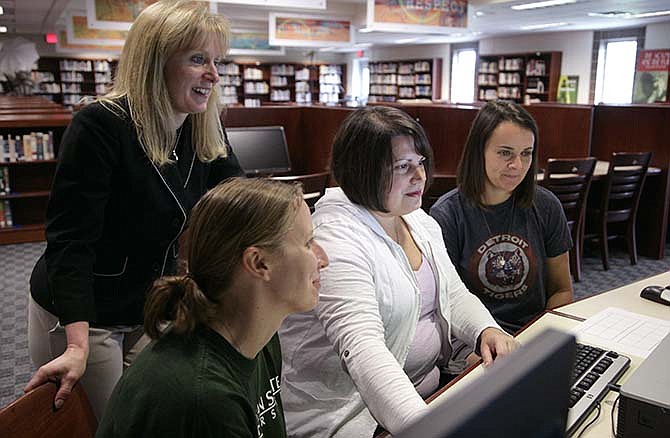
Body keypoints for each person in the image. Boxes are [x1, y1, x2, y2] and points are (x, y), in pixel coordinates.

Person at [25, 0, 243, 419]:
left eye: (217, 61)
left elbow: (239, 197)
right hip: (85, 312)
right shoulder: (100, 125)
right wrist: (76, 344)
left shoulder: (200, 128)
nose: (214, 75)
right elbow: (70, 242)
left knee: (148, 415)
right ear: (156, 60)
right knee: (109, 423)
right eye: (198, 59)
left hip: (146, 305)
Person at [279, 105, 517, 437]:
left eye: (420, 164)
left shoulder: (415, 217)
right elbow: (364, 351)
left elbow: (454, 293)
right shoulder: (336, 238)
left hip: (426, 393)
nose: (420, 177)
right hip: (357, 416)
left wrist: (485, 331)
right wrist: (427, 427)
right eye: (403, 166)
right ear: (363, 171)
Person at [96, 177, 329, 437]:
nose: (323, 259)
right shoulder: (206, 399)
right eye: (308, 243)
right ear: (258, 263)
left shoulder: (261, 340)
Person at [429, 101, 573, 368]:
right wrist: (479, 357)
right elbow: (443, 308)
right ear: (479, 151)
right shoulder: (447, 216)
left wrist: (541, 341)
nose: (517, 165)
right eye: (505, 153)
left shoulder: (546, 206)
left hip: (534, 338)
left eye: (526, 153)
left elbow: (561, 289)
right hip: (476, 347)